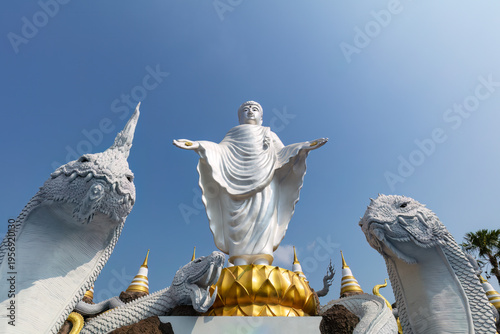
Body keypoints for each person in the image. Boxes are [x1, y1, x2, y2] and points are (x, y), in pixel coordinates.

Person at [173, 101, 327, 266]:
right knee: (237, 223)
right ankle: (239, 260)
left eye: (255, 109)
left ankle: (262, 260)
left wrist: (303, 146)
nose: (250, 112)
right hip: (233, 185)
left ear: (261, 117)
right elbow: (219, 150)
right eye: (245, 110)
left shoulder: (268, 134)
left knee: (264, 219)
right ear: (240, 117)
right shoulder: (233, 134)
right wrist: (198, 145)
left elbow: (283, 153)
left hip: (266, 183)